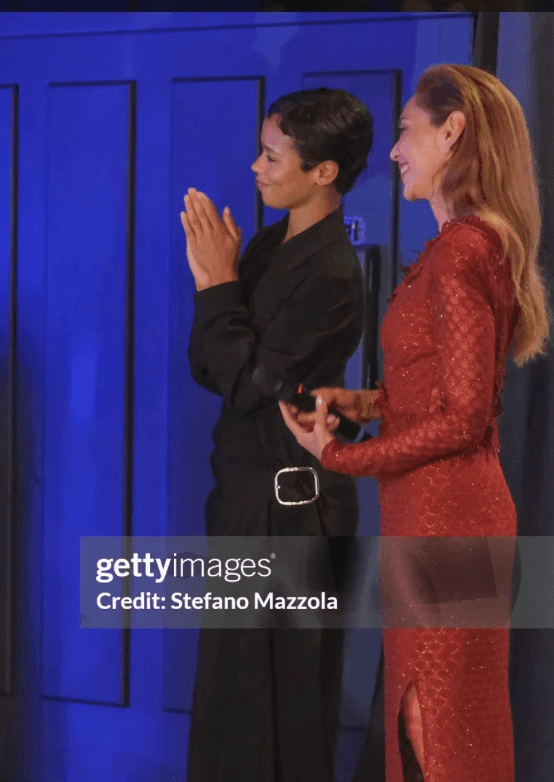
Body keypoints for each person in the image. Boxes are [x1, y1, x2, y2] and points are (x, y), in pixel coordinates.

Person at [280, 64, 549, 782]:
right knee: (429, 722)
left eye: (406, 130)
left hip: (446, 522)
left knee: (433, 728)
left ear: (451, 131)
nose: (396, 150)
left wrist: (338, 454)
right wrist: (360, 401)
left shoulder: (462, 251)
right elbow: (446, 392)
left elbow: (463, 419)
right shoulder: (470, 244)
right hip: (437, 517)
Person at [181, 87, 373, 782]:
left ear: (323, 171)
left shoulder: (332, 276)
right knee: (233, 696)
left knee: (284, 702)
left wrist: (216, 286)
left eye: (271, 155)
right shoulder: (265, 243)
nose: (256, 167)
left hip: (294, 512)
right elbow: (209, 363)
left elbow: (250, 384)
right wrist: (218, 282)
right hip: (241, 498)